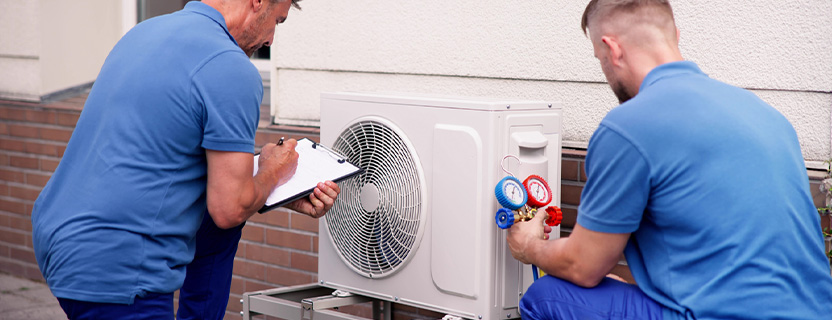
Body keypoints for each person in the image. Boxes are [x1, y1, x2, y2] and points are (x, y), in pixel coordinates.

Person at [506, 1, 832, 319]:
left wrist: (530, 247)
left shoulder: (628, 126)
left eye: (600, 59)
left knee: (546, 296)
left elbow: (582, 267)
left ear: (612, 49)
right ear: (675, 34)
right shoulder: (765, 114)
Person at [31, 0, 340, 318]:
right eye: (279, 21)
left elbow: (173, 154)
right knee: (228, 216)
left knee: (219, 226)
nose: (272, 39)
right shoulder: (230, 66)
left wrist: (276, 186)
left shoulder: (145, 32)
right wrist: (274, 171)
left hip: (58, 235)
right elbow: (230, 208)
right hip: (117, 263)